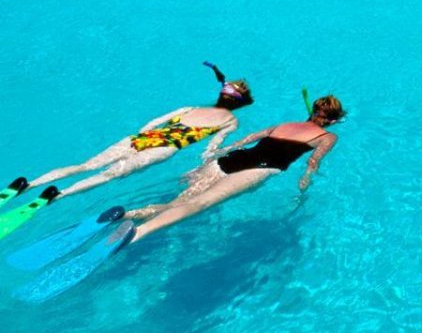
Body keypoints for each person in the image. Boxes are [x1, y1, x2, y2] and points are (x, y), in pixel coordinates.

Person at [126, 94, 344, 243]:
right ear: (333, 121)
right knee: (200, 203)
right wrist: (304, 186)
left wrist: (219, 152)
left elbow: (247, 139)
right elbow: (313, 162)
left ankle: (129, 214)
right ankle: (138, 233)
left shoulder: (286, 124)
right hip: (258, 168)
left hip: (230, 159)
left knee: (177, 202)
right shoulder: (328, 136)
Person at [28, 62, 253, 198]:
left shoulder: (190, 108)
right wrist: (204, 166)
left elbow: (151, 124)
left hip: (141, 139)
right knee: (108, 175)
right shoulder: (230, 122)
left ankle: (30, 185)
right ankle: (61, 195)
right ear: (240, 104)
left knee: (85, 166)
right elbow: (211, 148)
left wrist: (142, 138)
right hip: (164, 148)